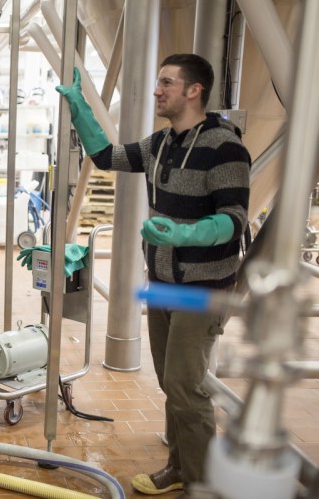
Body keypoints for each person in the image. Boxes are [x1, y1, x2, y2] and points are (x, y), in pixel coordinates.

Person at [56, 54, 250, 497]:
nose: (157, 90)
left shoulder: (225, 146)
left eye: (166, 82)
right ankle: (180, 467)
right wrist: (78, 107)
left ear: (193, 90)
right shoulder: (162, 143)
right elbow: (107, 157)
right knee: (171, 381)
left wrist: (185, 232)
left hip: (204, 289)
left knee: (186, 384)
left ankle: (203, 483)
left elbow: (234, 220)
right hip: (163, 282)